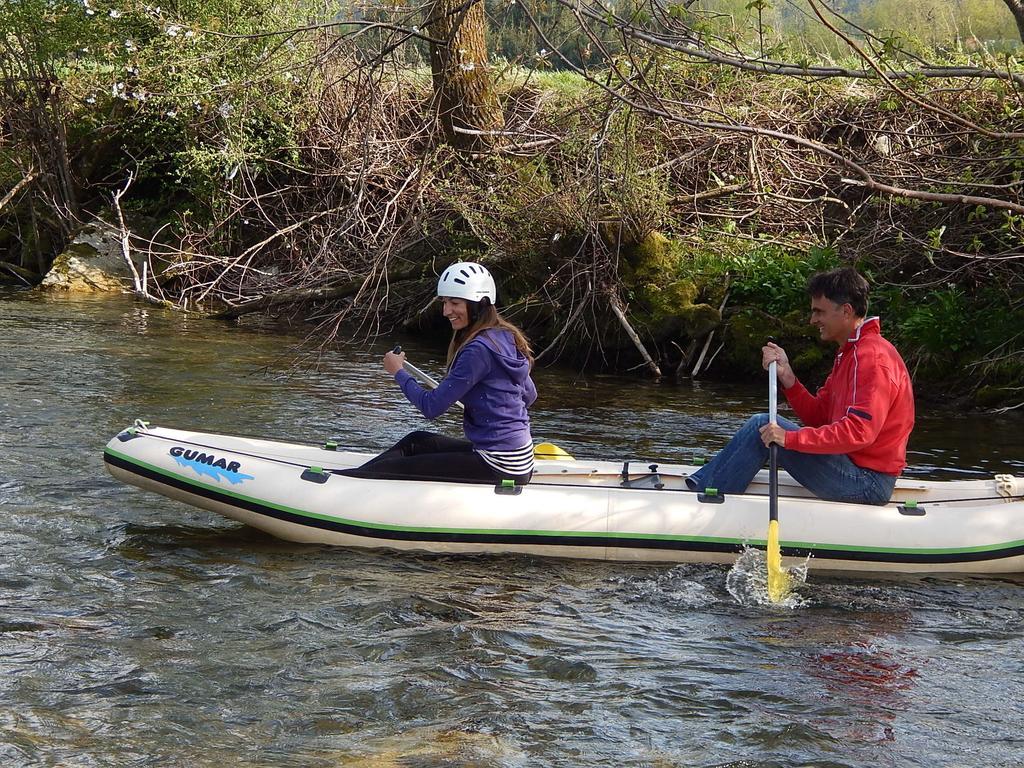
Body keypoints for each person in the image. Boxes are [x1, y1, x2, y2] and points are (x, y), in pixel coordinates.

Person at [686, 266, 914, 505]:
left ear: (846, 311)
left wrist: (789, 439)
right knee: (765, 427)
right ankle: (708, 487)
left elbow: (860, 432)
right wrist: (789, 378)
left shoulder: (872, 359)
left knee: (762, 425)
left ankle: (704, 500)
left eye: (819, 312)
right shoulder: (851, 354)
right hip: (852, 468)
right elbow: (818, 416)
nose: (812, 320)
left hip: (868, 482)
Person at [349, 261, 537, 485]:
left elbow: (431, 407)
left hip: (499, 464)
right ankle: (354, 476)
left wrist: (397, 371)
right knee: (416, 441)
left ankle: (347, 484)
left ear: (480, 304)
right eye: (445, 302)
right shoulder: (506, 336)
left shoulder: (478, 350)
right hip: (519, 457)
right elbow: (529, 395)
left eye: (454, 302)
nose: (446, 311)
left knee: (391, 469)